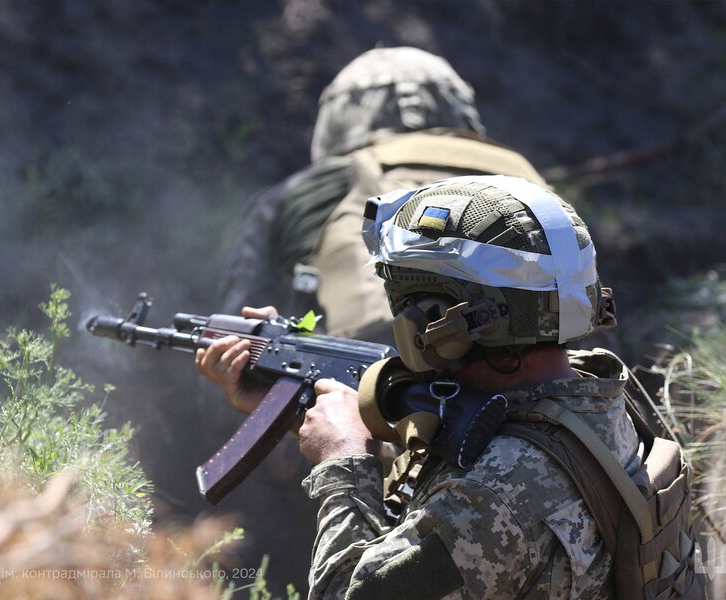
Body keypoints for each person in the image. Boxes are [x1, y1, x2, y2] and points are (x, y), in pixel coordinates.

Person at [196, 175, 639, 598]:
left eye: (404, 301)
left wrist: (343, 462)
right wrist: (301, 414)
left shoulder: (494, 498)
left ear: (438, 320)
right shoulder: (594, 394)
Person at [218, 47, 548, 345]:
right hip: (546, 393)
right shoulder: (530, 182)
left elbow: (238, 333)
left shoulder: (307, 189)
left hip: (364, 392)